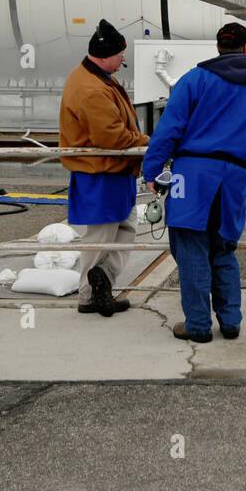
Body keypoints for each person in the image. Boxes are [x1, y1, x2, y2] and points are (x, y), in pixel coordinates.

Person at [142, 22, 246, 343]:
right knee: (224, 249)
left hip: (191, 174)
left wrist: (151, 171)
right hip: (234, 176)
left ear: (217, 48)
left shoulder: (194, 80)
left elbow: (168, 130)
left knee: (191, 248)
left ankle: (198, 325)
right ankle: (230, 322)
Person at [59, 19, 150, 315]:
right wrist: (150, 141)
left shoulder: (94, 78)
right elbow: (112, 137)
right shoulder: (93, 89)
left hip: (111, 171)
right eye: (121, 54)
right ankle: (89, 294)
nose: (124, 58)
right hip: (102, 172)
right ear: (105, 54)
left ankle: (101, 285)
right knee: (101, 237)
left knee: (124, 228)